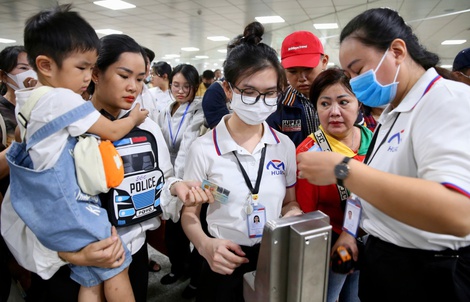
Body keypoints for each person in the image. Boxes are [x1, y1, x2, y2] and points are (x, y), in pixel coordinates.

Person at [2, 32, 212, 302]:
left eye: (139, 79)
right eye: (124, 76)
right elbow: (28, 208)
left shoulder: (146, 128)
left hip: (131, 256)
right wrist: (70, 254)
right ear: (95, 74)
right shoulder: (59, 130)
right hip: (67, 266)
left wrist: (175, 187)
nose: (134, 88)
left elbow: (161, 179)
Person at [297, 7, 470, 302]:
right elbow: (374, 187)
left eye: (358, 70)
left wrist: (343, 169)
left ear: (397, 51)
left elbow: (459, 213)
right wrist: (350, 232)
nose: (354, 83)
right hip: (383, 260)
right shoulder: (392, 115)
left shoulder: (447, 101)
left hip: (428, 272)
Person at [7, 5, 155, 301]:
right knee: (115, 264)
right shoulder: (63, 100)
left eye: (141, 79)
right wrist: (135, 119)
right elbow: (112, 131)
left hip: (48, 209)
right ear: (46, 66)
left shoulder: (29, 103)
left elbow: (21, 144)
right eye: (83, 68)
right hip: (70, 207)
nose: (88, 76)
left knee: (91, 279)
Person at [181, 21, 303, 302]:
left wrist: (293, 214)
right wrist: (204, 245)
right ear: (228, 89)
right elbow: (189, 214)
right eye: (248, 92)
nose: (260, 101)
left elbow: (290, 202)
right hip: (222, 256)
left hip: (273, 254)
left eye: (270, 93)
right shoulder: (203, 149)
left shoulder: (283, 146)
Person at [296, 68, 372, 302]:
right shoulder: (310, 153)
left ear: (358, 104)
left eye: (343, 102)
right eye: (325, 104)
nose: (335, 112)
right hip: (331, 249)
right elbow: (307, 215)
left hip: (370, 240)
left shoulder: (374, 139)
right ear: (316, 108)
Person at [157, 63, 205, 286]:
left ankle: (196, 278)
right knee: (173, 233)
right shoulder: (165, 110)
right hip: (170, 178)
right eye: (176, 85)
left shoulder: (201, 110)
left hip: (194, 178)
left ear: (195, 87)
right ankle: (179, 268)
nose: (181, 91)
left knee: (197, 231)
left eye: (187, 86)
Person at [266, 31, 329, 146]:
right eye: (292, 71)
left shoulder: (342, 99)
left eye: (308, 69)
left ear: (324, 62)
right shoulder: (277, 106)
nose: (301, 78)